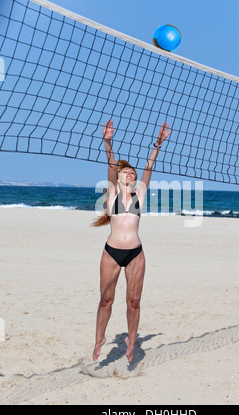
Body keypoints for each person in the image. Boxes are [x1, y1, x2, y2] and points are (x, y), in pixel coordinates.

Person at [92, 119, 172, 362]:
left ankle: (131, 341)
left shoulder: (140, 193)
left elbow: (149, 166)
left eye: (132, 171)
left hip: (136, 253)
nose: (130, 172)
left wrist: (157, 144)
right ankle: (99, 339)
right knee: (106, 299)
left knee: (134, 302)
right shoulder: (113, 192)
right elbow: (111, 163)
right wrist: (108, 142)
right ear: (118, 177)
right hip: (112, 252)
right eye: (125, 170)